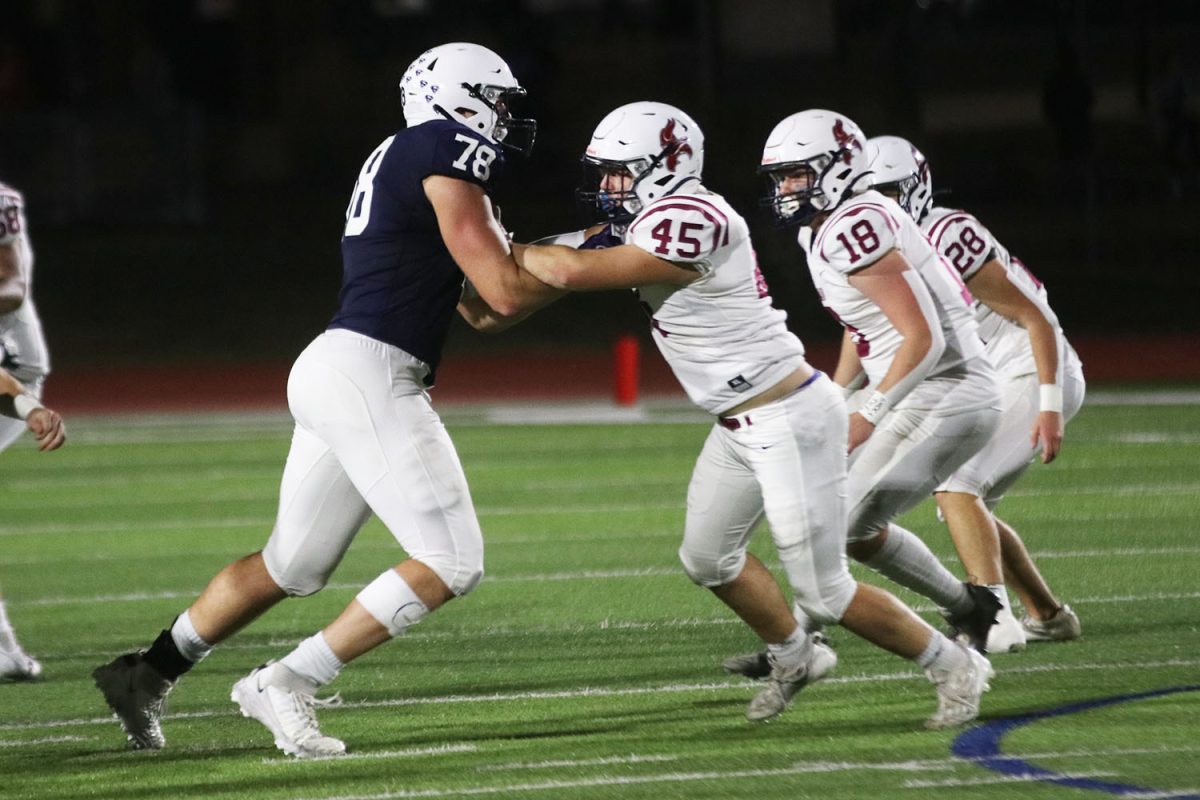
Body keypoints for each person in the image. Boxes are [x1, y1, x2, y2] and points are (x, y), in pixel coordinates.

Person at [93, 42, 560, 758]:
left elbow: (482, 311)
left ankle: (149, 671)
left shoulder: (402, 155)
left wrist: (571, 256)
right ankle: (287, 681)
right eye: (498, 100)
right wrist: (598, 258)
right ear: (461, 99)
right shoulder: (443, 145)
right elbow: (502, 290)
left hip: (336, 365)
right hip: (370, 371)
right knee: (451, 560)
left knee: (293, 565)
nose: (504, 118)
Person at [517, 101, 992, 729]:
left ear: (665, 165)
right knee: (707, 558)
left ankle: (952, 664)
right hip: (739, 422)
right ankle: (796, 654)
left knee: (825, 588)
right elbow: (544, 263)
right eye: (603, 173)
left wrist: (493, 244)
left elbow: (568, 268)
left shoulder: (694, 216)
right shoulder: (651, 217)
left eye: (619, 173)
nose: (607, 187)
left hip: (786, 413)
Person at [724, 110, 1005, 680]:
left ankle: (809, 642)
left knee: (838, 520)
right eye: (780, 177)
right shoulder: (826, 225)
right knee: (824, 514)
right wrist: (838, 391)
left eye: (796, 175)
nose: (783, 189)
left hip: (947, 391)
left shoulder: (857, 224)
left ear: (836, 169)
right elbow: (865, 325)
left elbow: (921, 338)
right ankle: (963, 607)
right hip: (913, 386)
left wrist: (869, 413)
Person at [867, 135, 1085, 650]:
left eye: (889, 192)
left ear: (916, 188)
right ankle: (1048, 615)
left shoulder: (946, 231)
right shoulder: (869, 244)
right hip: (987, 378)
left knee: (958, 485)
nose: (880, 205)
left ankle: (993, 617)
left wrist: (1051, 405)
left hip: (1029, 368)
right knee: (966, 500)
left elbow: (1036, 316)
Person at [0, 181, 65, 682]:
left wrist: (26, 405)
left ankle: (5, 651)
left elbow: (13, 284)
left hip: (14, 371)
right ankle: (6, 653)